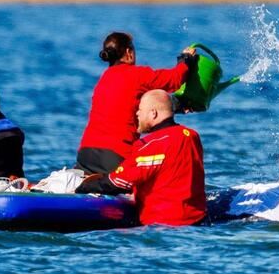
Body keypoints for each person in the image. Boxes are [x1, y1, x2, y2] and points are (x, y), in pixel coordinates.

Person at [77, 89, 206, 226]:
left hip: (162, 227)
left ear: (153, 113)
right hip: (198, 221)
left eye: (140, 109)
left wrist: (83, 188)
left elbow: (118, 182)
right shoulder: (191, 136)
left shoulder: (151, 145)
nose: (137, 114)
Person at [76, 31, 197, 174]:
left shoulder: (104, 80)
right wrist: (186, 60)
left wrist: (176, 106)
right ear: (129, 52)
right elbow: (174, 79)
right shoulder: (137, 75)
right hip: (115, 157)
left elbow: (130, 106)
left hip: (85, 155)